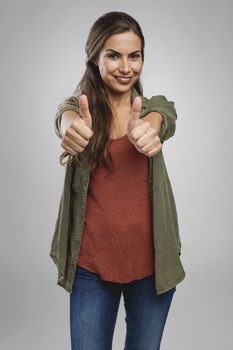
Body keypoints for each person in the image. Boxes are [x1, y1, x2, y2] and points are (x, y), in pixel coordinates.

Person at [49, 11, 186, 350]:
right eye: (113, 55)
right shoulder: (81, 113)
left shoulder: (150, 109)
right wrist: (69, 129)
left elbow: (165, 113)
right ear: (94, 57)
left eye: (134, 56)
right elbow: (63, 116)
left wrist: (151, 128)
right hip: (91, 268)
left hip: (151, 268)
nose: (126, 67)